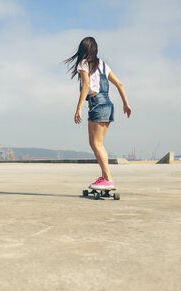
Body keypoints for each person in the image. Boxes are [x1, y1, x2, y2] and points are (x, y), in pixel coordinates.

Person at [64, 36, 132, 190]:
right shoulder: (103, 64)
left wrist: (79, 108)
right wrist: (126, 103)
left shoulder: (83, 63)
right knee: (100, 144)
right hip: (108, 104)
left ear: (83, 49)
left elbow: (86, 85)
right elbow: (119, 83)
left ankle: (108, 179)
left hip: (97, 104)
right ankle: (104, 177)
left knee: (95, 144)